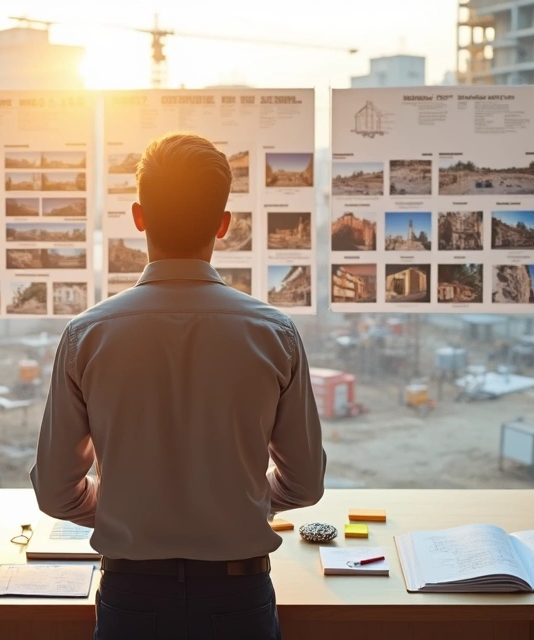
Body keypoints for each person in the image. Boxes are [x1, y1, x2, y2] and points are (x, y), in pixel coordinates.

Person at [31, 132, 326, 640]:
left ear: (139, 216)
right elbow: (304, 484)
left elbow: (57, 493)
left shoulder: (89, 334)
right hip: (240, 600)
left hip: (131, 600)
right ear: (224, 224)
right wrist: (238, 499)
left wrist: (131, 503)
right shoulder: (273, 332)